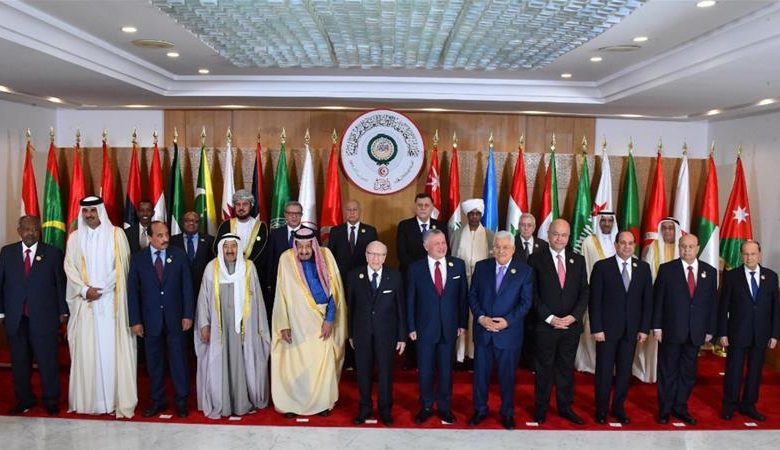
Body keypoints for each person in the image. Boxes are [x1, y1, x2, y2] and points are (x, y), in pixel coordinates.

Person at [63, 196, 137, 418]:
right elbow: (69, 267)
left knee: (110, 353)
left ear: (100, 212)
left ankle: (112, 401)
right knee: (87, 354)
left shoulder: (116, 234)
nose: (89, 215)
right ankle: (89, 402)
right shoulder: (75, 238)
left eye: (93, 211)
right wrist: (85, 290)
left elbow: (122, 266)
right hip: (85, 304)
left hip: (110, 303)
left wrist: (101, 289)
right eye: (85, 212)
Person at [271, 227, 347, 417]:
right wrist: (283, 324)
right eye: (300, 246)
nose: (304, 251)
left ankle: (322, 403)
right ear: (295, 245)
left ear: (314, 245)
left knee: (321, 363)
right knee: (295, 364)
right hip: (295, 322)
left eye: (308, 247)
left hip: (320, 321)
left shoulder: (326, 256)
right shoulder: (286, 259)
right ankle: (292, 404)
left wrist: (330, 319)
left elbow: (335, 293)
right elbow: (281, 293)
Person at [195, 234, 271, 419]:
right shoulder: (211, 268)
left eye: (233, 246)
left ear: (239, 248)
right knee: (220, 362)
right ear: (221, 248)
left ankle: (242, 402)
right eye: (226, 246)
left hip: (243, 329)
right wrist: (204, 325)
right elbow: (203, 300)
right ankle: (223, 404)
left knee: (242, 363)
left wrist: (259, 326)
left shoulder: (248, 268)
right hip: (219, 329)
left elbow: (257, 300)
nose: (230, 250)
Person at [0, 216, 67, 416]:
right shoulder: (7, 252)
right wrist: (1, 312)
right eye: (27, 229)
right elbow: (1, 284)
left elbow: (60, 284)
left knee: (48, 361)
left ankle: (51, 400)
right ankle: (25, 399)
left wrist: (63, 311)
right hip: (16, 317)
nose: (31, 233)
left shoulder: (53, 253)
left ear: (40, 231)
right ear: (19, 231)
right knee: (20, 363)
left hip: (44, 318)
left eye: (35, 229)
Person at [467, 231, 533, 430]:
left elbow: (526, 303)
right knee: (480, 376)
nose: (501, 250)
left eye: (505, 247)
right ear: (492, 248)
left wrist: (507, 321)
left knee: (507, 377)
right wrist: (481, 318)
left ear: (513, 249)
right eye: (497, 246)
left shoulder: (525, 271)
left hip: (508, 334)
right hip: (484, 331)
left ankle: (507, 413)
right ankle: (480, 410)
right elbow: (472, 295)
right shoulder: (482, 267)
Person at [127, 221, 194, 418]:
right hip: (150, 320)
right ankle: (158, 400)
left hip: (176, 319)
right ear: (150, 238)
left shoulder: (179, 255)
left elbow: (187, 287)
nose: (165, 239)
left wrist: (188, 314)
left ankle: (181, 400)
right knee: (154, 363)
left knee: (178, 361)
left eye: (166, 234)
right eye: (160, 235)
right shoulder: (138, 259)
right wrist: (135, 320)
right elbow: (133, 292)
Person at [527, 218, 589, 425]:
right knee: (543, 369)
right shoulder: (536, 259)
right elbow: (532, 293)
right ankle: (541, 408)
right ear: (548, 235)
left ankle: (565, 407)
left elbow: (584, 292)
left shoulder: (578, 260)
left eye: (564, 235)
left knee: (566, 369)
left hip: (570, 327)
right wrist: (551, 318)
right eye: (556, 234)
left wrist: (573, 317)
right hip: (546, 326)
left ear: (569, 237)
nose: (559, 239)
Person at [653, 233, 717, 425]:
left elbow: (712, 303)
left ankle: (680, 407)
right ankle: (664, 409)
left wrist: (710, 329)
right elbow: (658, 300)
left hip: (696, 331)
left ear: (697, 248)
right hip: (671, 330)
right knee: (668, 371)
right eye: (683, 246)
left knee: (688, 373)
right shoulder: (667, 269)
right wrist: (656, 326)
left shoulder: (709, 272)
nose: (687, 250)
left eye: (690, 246)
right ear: (679, 247)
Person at [589, 231, 652, 425]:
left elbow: (647, 302)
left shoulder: (643, 268)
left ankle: (618, 407)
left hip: (631, 331)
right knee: (604, 372)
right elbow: (594, 301)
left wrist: (644, 329)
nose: (627, 246)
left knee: (624, 373)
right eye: (623, 243)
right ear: (616, 245)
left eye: (630, 243)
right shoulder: (602, 267)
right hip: (606, 332)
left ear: (635, 246)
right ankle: (601, 409)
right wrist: (597, 328)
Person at [406, 229, 467, 425]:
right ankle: (426, 406)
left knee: (446, 370)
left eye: (443, 242)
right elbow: (410, 300)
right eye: (436, 243)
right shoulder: (415, 268)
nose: (442, 247)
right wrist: (411, 327)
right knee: (425, 370)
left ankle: (444, 407)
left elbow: (462, 298)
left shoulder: (458, 265)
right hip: (424, 329)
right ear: (426, 246)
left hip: (449, 328)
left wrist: (462, 323)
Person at [718, 240, 780, 422]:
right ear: (741, 255)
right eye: (745, 254)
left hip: (761, 334)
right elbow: (723, 306)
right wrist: (722, 333)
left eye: (753, 254)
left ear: (759, 255)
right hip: (737, 333)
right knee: (734, 371)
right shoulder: (732, 276)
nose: (749, 257)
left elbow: (775, 309)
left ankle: (749, 404)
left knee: (755, 372)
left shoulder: (771, 277)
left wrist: (775, 334)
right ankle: (729, 404)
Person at [347, 241, 406, 426]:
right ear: (366, 255)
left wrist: (402, 336)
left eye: (380, 255)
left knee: (386, 373)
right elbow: (350, 308)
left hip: (386, 334)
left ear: (385, 257)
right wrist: (351, 334)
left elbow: (401, 308)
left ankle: (385, 409)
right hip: (362, 333)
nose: (375, 258)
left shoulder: (394, 276)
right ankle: (365, 408)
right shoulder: (354, 276)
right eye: (372, 254)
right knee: (363, 373)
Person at [396, 192, 448, 369]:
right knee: (412, 315)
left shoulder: (441, 226)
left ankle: (435, 357)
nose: (423, 208)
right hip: (411, 279)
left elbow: (444, 251)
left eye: (427, 205)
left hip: (436, 280)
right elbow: (402, 254)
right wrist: (421, 272)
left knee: (433, 315)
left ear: (432, 207)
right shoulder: (404, 226)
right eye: (420, 205)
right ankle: (412, 358)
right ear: (415, 206)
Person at [327, 199, 378, 370]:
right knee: (344, 319)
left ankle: (361, 359)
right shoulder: (336, 231)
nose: (352, 212)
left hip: (363, 284)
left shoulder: (370, 231)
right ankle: (346, 359)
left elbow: (374, 258)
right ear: (344, 212)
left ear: (360, 211)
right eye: (349, 210)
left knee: (360, 319)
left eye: (355, 209)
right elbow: (330, 258)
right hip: (341, 283)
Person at [635, 217, 682, 383]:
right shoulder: (652, 248)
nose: (668, 231)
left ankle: (672, 373)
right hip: (656, 300)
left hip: (678, 304)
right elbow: (647, 277)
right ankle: (652, 373)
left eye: (671, 228)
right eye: (665, 228)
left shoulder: (682, 248)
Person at [449, 198, 494, 367]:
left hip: (481, 286)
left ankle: (474, 355)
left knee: (477, 317)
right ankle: (460, 356)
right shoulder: (457, 234)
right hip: (460, 283)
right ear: (467, 215)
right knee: (460, 316)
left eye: (477, 213)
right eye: (471, 214)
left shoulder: (489, 235)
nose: (475, 216)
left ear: (481, 215)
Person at [575, 211, 618, 374]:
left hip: (615, 296)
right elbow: (584, 268)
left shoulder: (620, 242)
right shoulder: (588, 242)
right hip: (594, 294)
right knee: (592, 328)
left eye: (609, 220)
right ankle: (590, 363)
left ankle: (612, 365)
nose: (606, 223)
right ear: (598, 222)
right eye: (603, 220)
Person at [216, 190, 270, 314]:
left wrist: (246, 268)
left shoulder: (261, 227)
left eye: (245, 204)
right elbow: (217, 248)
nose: (241, 208)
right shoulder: (226, 225)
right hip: (229, 274)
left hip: (253, 275)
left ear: (251, 206)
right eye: (238, 204)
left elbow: (263, 253)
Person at [513, 212, 548, 369]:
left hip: (537, 294)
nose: (526, 228)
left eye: (529, 225)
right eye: (523, 225)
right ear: (518, 226)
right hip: (516, 294)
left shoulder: (543, 245)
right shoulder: (511, 243)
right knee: (517, 328)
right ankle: (516, 361)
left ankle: (531, 362)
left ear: (534, 227)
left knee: (534, 329)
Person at [170, 211, 215, 298]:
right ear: (182, 223)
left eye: (195, 221)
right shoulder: (173, 241)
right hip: (179, 288)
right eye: (187, 220)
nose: (191, 223)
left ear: (199, 223)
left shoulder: (210, 240)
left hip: (203, 288)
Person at [266, 201, 304, 305]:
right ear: (285, 215)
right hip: (280, 282)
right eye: (291, 213)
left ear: (301, 215)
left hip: (303, 283)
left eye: (297, 213)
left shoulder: (310, 233)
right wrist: (269, 282)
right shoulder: (275, 234)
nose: (294, 216)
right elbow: (270, 260)